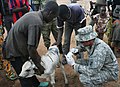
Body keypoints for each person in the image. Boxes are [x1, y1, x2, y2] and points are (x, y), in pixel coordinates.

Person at [3, 1, 59, 87]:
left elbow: (31, 49)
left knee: (30, 67)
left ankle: (36, 84)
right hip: (13, 51)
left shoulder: (34, 15)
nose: (52, 20)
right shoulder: (36, 22)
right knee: (25, 77)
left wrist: (36, 61)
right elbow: (31, 49)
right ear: (50, 13)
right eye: (53, 17)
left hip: (18, 47)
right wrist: (40, 66)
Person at [0, 0, 17, 81]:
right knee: (2, 49)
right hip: (4, 19)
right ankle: (8, 71)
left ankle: (5, 68)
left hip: (7, 18)